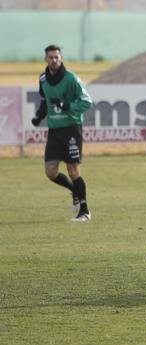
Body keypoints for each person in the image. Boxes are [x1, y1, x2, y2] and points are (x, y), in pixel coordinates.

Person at [31, 44, 93, 222]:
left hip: (71, 128)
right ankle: (74, 190)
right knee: (50, 171)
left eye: (56, 57)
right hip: (54, 130)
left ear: (61, 58)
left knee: (73, 169)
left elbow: (87, 102)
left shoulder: (71, 78)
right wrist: (39, 116)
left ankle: (85, 211)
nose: (54, 60)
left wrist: (68, 106)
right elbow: (45, 100)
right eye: (50, 57)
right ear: (46, 59)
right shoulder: (43, 79)